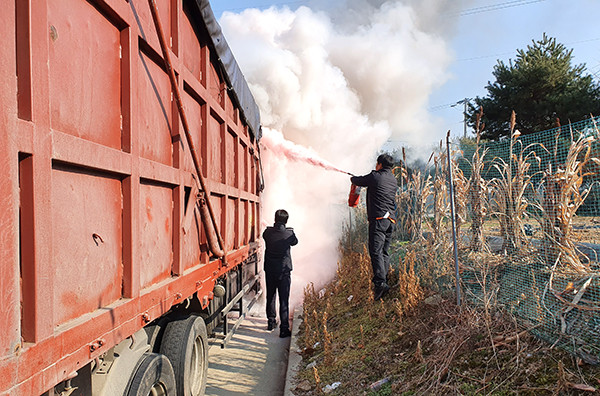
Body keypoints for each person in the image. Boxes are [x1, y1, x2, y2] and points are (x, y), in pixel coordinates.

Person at [350, 154, 398, 301]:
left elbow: (357, 180)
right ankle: (384, 281)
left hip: (378, 221)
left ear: (380, 165)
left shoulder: (375, 176)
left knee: (375, 252)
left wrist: (353, 177)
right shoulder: (393, 180)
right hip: (390, 221)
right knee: (384, 251)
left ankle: (380, 283)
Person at [263, 209, 298, 338]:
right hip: (284, 271)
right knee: (284, 299)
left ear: (275, 219)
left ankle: (271, 322)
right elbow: (295, 242)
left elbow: (265, 235)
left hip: (270, 269)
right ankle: (284, 328)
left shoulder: (267, 232)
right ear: (286, 220)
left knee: (271, 296)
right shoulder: (289, 234)